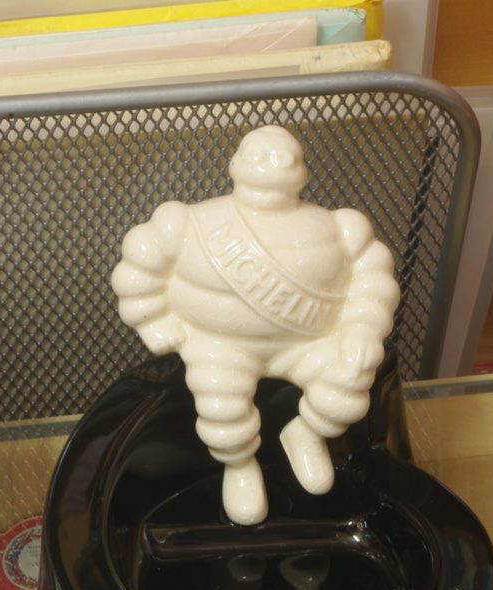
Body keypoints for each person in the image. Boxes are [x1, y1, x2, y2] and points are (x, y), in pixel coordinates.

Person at [111, 125, 400, 524]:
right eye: (258, 157)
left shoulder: (341, 228)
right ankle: (239, 466)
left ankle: (306, 434)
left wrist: (361, 329)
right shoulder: (186, 222)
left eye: (283, 159)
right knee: (222, 409)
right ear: (235, 164)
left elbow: (372, 283)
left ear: (301, 170)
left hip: (308, 343)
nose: (271, 167)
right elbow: (139, 267)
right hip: (220, 344)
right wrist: (155, 321)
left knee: (348, 384)